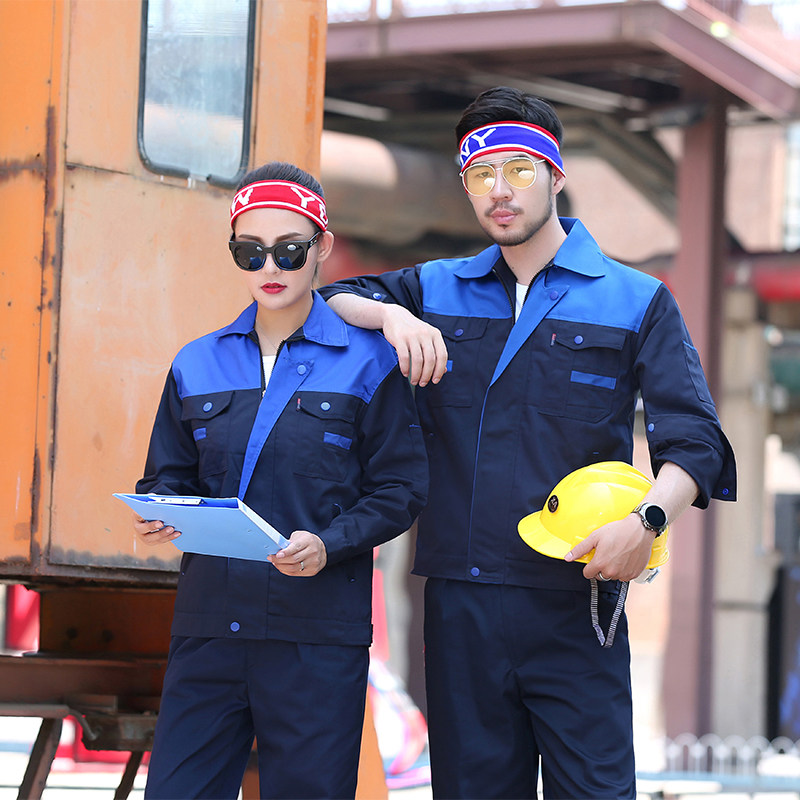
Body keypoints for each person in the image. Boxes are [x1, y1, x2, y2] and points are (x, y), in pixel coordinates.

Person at [319, 87, 737, 799]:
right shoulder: (435, 288)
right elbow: (331, 300)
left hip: (577, 597)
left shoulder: (634, 298)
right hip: (460, 600)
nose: (500, 191)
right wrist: (391, 317)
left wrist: (648, 522)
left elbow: (695, 439)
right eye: (480, 175)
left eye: (518, 170)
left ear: (555, 174)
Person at [131, 161, 428, 799]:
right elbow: (166, 478)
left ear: (322, 247)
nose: (270, 267)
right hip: (210, 633)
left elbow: (401, 490)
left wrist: (330, 542)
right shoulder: (196, 362)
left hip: (314, 639)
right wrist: (159, 513)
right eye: (251, 251)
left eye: (290, 250)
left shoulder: (370, 362)